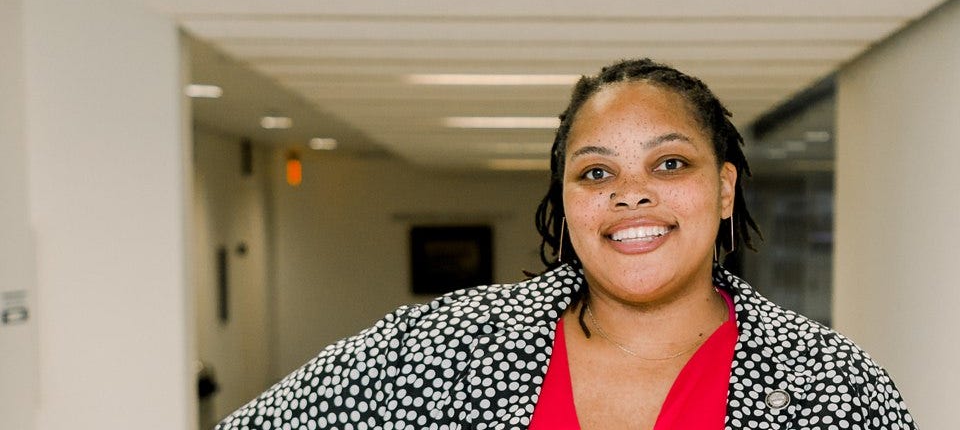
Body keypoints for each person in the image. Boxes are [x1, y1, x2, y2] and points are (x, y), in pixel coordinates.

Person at [217, 59, 917, 429]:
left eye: (669, 163)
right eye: (596, 171)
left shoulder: (830, 384)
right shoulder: (441, 349)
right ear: (566, 202)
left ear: (725, 189)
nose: (630, 193)